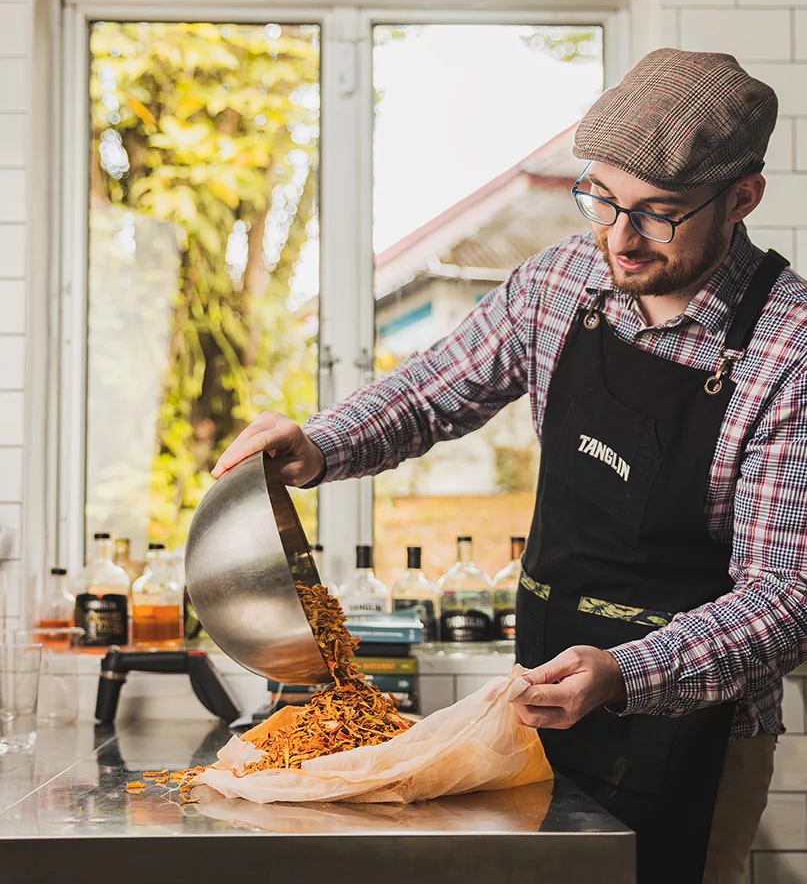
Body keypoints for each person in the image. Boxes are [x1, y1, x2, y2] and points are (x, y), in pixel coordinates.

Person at [211, 49, 807, 884]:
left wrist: (625, 671)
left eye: (656, 214)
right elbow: (431, 390)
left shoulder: (788, 351)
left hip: (695, 730)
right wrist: (318, 444)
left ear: (742, 197)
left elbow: (783, 596)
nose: (619, 239)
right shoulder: (561, 282)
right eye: (600, 198)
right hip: (534, 708)